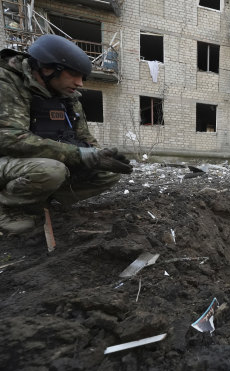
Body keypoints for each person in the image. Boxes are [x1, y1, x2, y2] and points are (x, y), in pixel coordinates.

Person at [0, 34, 132, 235]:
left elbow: (83, 137)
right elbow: (9, 138)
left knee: (108, 173)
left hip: (45, 161)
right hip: (9, 161)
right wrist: (77, 155)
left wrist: (100, 155)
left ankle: (41, 202)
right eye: (74, 75)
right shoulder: (7, 82)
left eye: (82, 77)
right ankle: (8, 207)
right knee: (52, 171)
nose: (80, 83)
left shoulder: (68, 96)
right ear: (47, 69)